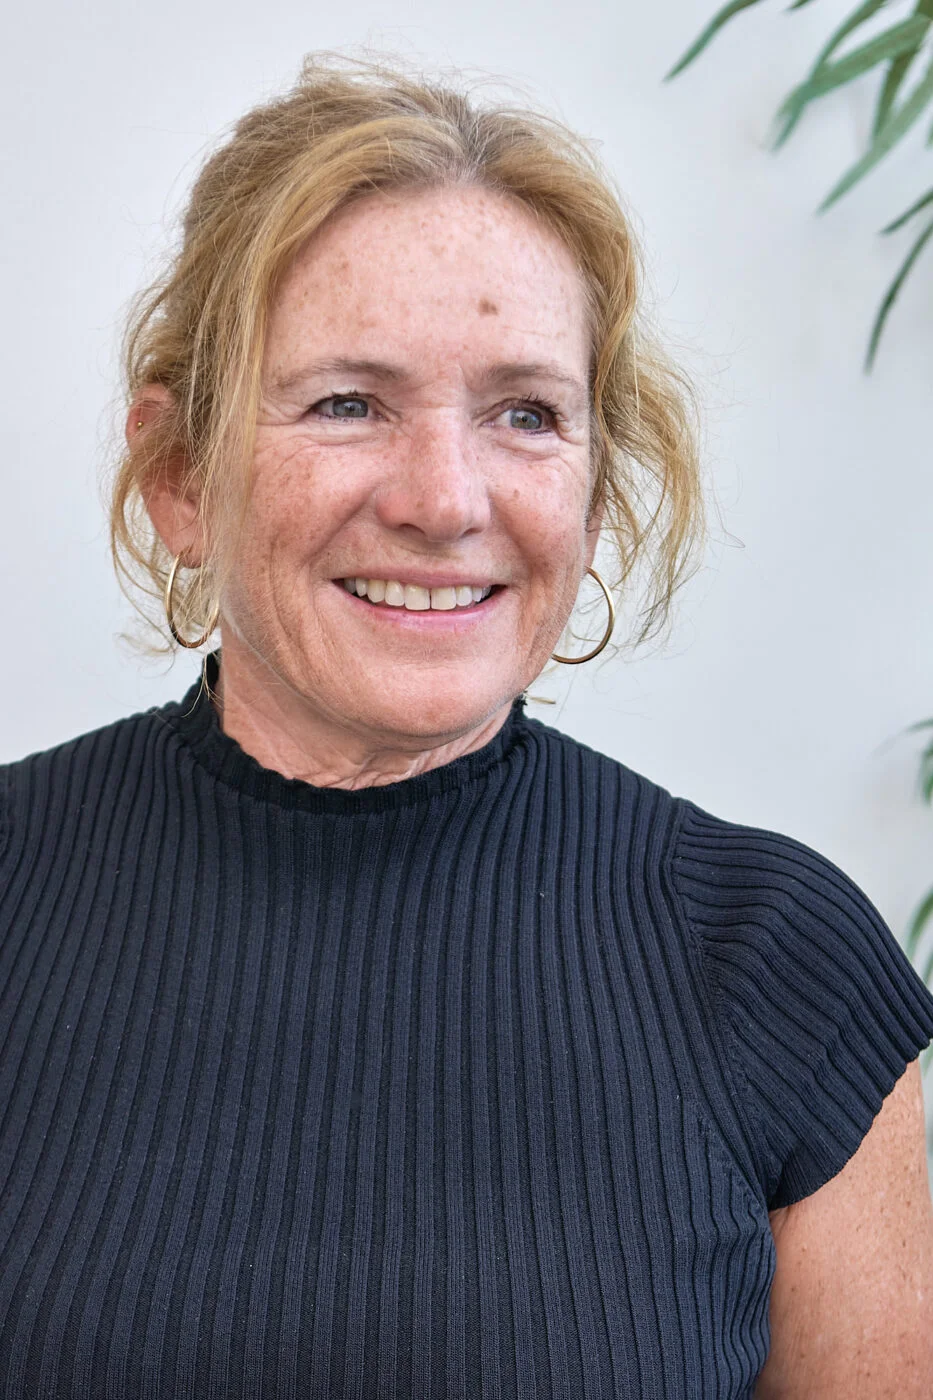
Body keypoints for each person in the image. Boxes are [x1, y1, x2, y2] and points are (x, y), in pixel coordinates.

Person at [1, 50, 931, 1400]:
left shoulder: (777, 961)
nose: (445, 499)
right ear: (179, 477)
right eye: (346, 403)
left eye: (525, 414)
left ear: (597, 490)